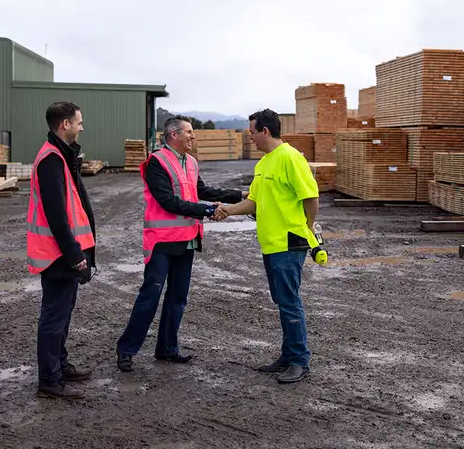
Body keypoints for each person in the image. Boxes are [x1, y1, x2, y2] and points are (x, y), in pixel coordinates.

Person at [116, 116, 244, 372]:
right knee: (150, 296)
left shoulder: (192, 162)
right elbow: (168, 201)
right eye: (189, 132)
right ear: (173, 135)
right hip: (162, 242)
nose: (193, 136)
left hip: (187, 240)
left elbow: (201, 190)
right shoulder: (157, 162)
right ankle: (127, 350)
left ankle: (167, 348)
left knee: (178, 297)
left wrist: (240, 195)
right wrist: (209, 211)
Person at [214, 108, 320, 384]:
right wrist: (228, 209)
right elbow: (254, 202)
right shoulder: (263, 164)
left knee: (289, 302)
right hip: (271, 243)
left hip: (289, 242)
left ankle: (299, 361)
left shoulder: (290, 158)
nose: (249, 138)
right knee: (282, 301)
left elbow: (311, 198)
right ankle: (288, 355)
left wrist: (307, 228)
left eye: (251, 133)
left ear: (265, 131)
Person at [25, 101, 97, 399]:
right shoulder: (52, 159)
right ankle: (50, 381)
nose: (82, 127)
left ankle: (60, 366)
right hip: (57, 255)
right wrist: (74, 255)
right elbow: (56, 214)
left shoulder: (63, 155)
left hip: (63, 253)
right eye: (78, 122)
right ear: (64, 124)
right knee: (54, 317)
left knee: (63, 314)